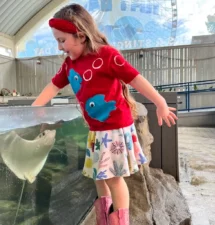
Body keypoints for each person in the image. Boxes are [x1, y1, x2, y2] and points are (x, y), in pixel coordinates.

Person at [32, 3, 178, 225]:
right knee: (99, 177)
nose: (60, 47)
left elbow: (135, 77)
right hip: (97, 130)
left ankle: (120, 221)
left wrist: (160, 102)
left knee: (114, 178)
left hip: (115, 129)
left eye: (62, 40)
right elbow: (53, 86)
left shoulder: (107, 55)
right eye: (57, 41)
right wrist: (34, 110)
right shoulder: (70, 64)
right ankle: (105, 217)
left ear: (80, 36)